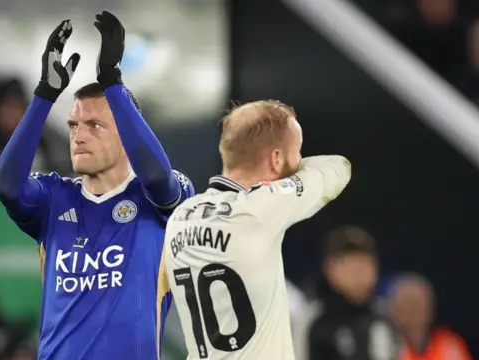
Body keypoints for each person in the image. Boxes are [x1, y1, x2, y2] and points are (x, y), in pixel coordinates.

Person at [0, 12, 194, 360]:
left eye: (94, 125)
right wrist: (43, 95)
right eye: (73, 126)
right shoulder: (54, 198)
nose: (78, 136)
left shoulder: (157, 198)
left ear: (127, 133)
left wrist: (113, 84)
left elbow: (159, 178)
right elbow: (7, 186)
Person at [162, 100, 351, 359]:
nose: (299, 160)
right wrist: (289, 175)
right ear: (276, 159)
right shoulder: (262, 207)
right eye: (297, 152)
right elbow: (338, 168)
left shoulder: (180, 217)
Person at [298, 226, 398, 360]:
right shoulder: (311, 319)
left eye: (366, 263)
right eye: (351, 264)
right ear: (330, 268)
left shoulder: (385, 318)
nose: (359, 273)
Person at [389, 273, 473, 360]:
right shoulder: (386, 348)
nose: (413, 314)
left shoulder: (449, 347)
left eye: (418, 305)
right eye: (407, 305)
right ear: (395, 311)